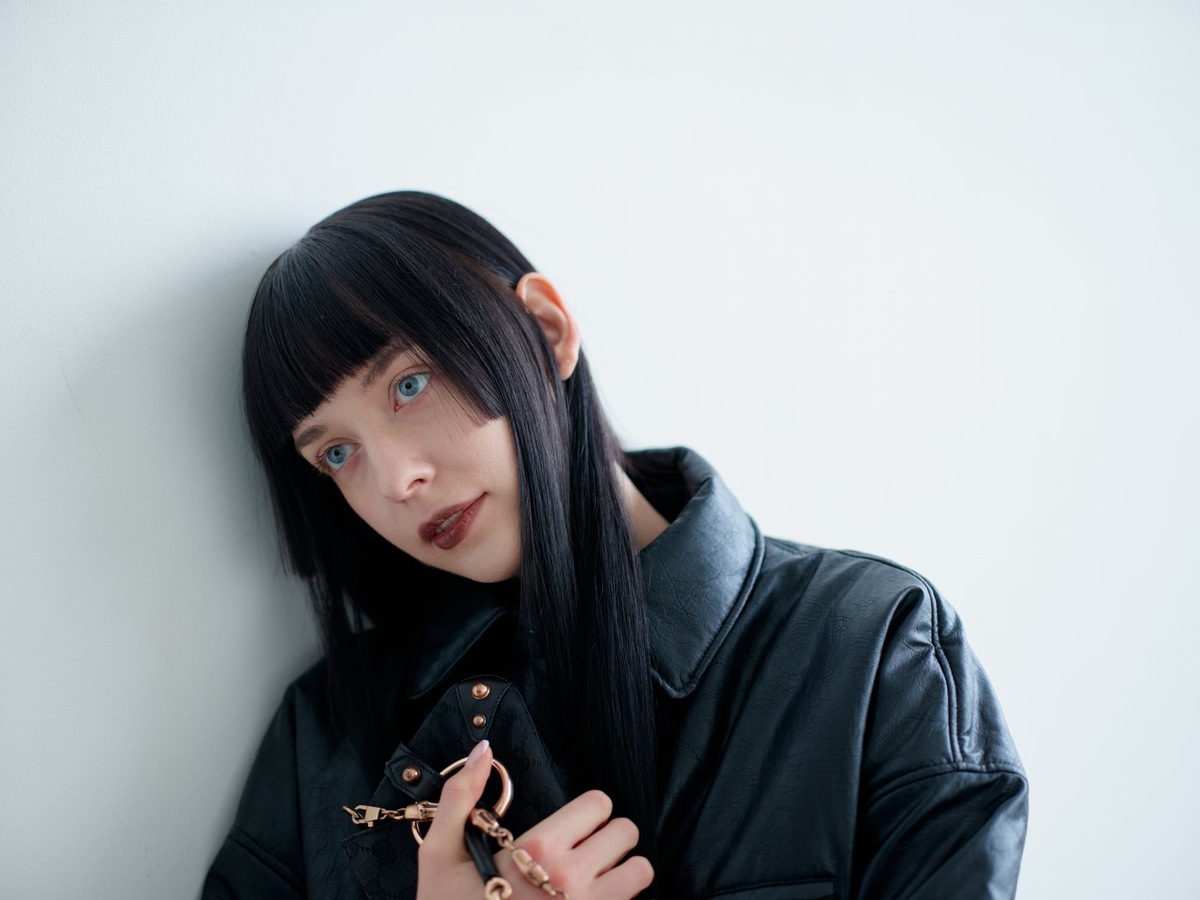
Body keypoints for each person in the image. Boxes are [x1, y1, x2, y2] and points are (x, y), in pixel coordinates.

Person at [203, 191, 1028, 900]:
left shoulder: (872, 651)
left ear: (547, 329)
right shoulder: (328, 734)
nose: (396, 481)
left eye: (409, 385)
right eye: (336, 453)